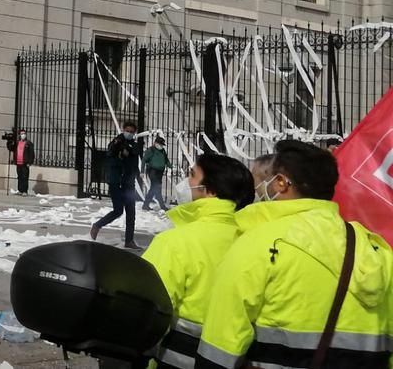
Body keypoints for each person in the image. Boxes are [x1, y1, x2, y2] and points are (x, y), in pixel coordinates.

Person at [196, 140, 393, 368]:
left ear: (281, 183)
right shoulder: (376, 250)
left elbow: (220, 344)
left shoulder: (258, 242)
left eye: (268, 178)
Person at [141, 152, 254, 369]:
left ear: (209, 191)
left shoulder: (174, 243)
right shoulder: (254, 240)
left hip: (174, 359)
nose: (185, 183)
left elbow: (146, 313)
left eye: (192, 175)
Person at [90, 121, 142, 249]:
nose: (129, 133)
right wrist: (119, 150)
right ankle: (97, 225)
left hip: (129, 183)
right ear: (123, 130)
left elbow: (134, 160)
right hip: (116, 183)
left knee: (131, 213)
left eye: (132, 131)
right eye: (127, 130)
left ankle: (129, 240)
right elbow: (110, 153)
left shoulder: (134, 145)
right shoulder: (116, 142)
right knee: (118, 211)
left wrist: (137, 175)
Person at [141, 135, 171, 210]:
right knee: (156, 186)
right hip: (152, 171)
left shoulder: (163, 151)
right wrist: (142, 171)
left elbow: (166, 160)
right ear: (155, 143)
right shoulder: (151, 150)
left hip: (160, 172)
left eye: (162, 145)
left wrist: (170, 166)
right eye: (160, 144)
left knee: (155, 188)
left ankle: (145, 205)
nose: (161, 146)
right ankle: (162, 206)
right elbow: (144, 160)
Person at [8, 128, 35, 195]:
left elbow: (32, 153)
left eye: (24, 134)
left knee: (25, 176)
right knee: (19, 176)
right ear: (19, 135)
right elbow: (11, 148)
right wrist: (9, 142)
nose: (23, 135)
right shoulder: (17, 143)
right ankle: (20, 190)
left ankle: (25, 191)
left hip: (25, 163)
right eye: (22, 134)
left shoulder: (28, 143)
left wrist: (30, 162)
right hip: (18, 162)